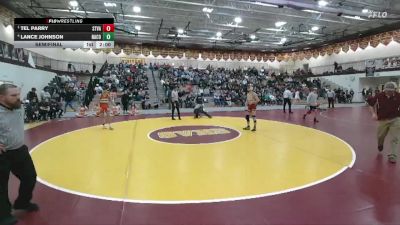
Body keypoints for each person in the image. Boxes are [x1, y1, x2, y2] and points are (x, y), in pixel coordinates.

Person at [0, 84, 39, 225]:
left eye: (18, 94)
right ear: (1, 97)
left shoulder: (18, 107)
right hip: (2, 154)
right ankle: (3, 215)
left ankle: (22, 203)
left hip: (19, 150)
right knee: (1, 187)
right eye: (13, 95)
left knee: (30, 177)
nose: (18, 98)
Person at [367, 82, 400, 163]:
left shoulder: (398, 96)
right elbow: (371, 105)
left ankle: (392, 156)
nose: (389, 92)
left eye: (391, 91)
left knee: (395, 138)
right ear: (384, 90)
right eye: (387, 90)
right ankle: (380, 144)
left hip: (395, 119)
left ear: (394, 90)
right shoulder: (379, 96)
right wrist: (373, 114)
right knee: (380, 136)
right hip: (382, 120)